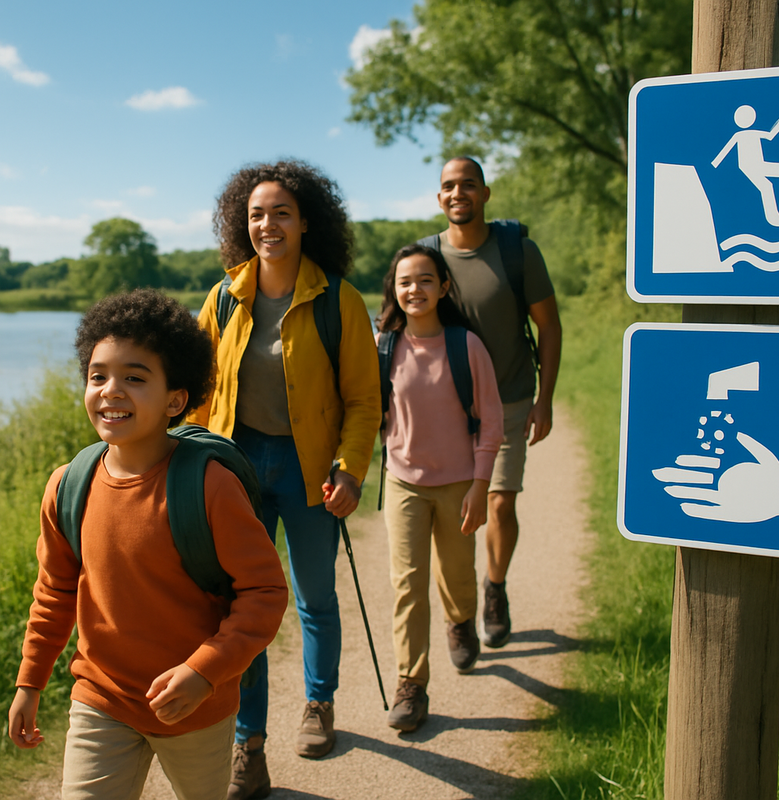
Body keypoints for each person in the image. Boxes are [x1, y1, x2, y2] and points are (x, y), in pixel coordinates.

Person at [7, 289, 288, 800]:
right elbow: (54, 592)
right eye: (98, 375)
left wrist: (204, 672)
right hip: (101, 699)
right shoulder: (68, 486)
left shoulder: (209, 487)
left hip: (196, 707)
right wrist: (29, 683)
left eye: (135, 378)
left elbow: (265, 592)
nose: (111, 390)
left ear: (175, 400)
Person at [187, 160, 381, 798]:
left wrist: (351, 470)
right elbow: (193, 391)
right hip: (234, 471)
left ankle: (318, 705)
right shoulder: (222, 298)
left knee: (314, 599)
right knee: (241, 611)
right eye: (256, 215)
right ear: (242, 225)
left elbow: (362, 402)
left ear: (305, 222)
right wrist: (182, 459)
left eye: (281, 213)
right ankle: (249, 743)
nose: (267, 225)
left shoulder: (339, 301)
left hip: (309, 474)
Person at [429, 156, 562, 649]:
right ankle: (460, 616)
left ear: (485, 194)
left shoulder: (517, 252)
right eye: (448, 186)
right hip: (445, 411)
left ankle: (495, 588)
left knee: (499, 504)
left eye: (468, 184)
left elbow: (548, 326)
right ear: (438, 198)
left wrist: (544, 399)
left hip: (507, 400)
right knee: (454, 516)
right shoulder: (427, 259)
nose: (457, 192)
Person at [376, 244, 503, 732]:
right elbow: (367, 412)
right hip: (403, 483)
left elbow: (491, 423)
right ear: (395, 289)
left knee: (456, 577)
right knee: (407, 586)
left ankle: (461, 620)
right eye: (405, 281)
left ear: (443, 287)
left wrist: (480, 484)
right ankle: (411, 684)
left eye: (425, 280)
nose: (415, 289)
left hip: (458, 484)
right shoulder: (384, 346)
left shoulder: (465, 345)